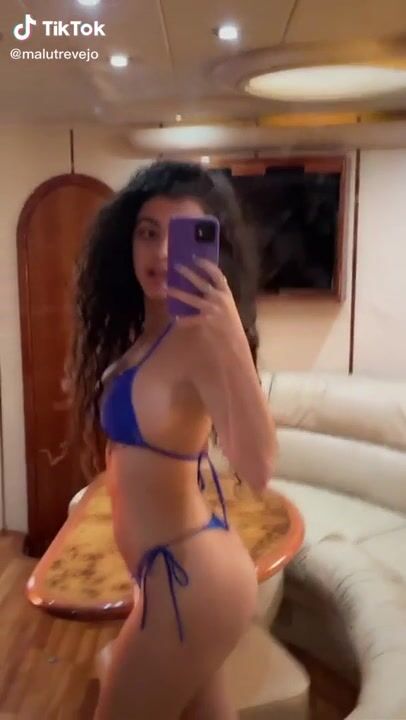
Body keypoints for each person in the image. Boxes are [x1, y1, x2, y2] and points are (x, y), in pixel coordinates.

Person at [68, 160, 277, 720]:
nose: (161, 252)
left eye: (178, 235)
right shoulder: (144, 335)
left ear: (208, 248)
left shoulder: (200, 343)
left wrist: (231, 333)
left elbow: (259, 468)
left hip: (190, 581)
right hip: (170, 574)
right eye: (147, 232)